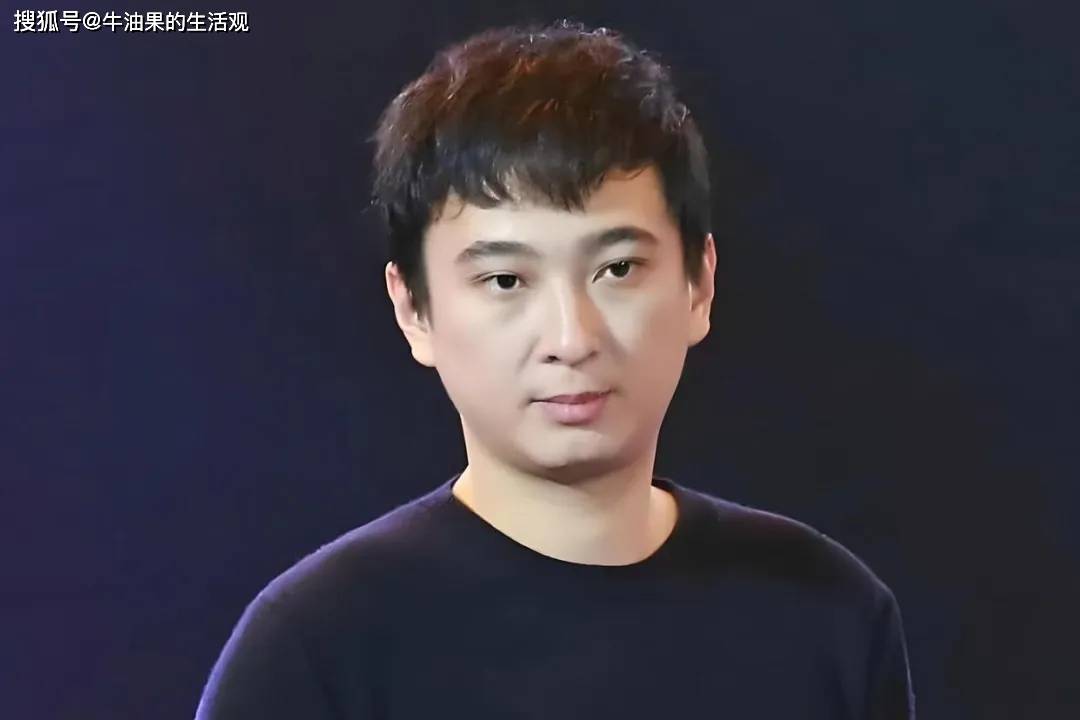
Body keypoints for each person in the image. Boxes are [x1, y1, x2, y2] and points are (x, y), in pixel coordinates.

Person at [196, 20, 915, 719]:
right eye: (506, 280)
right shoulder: (317, 647)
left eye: (618, 269)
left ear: (699, 285)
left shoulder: (829, 613)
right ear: (413, 309)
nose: (572, 339)